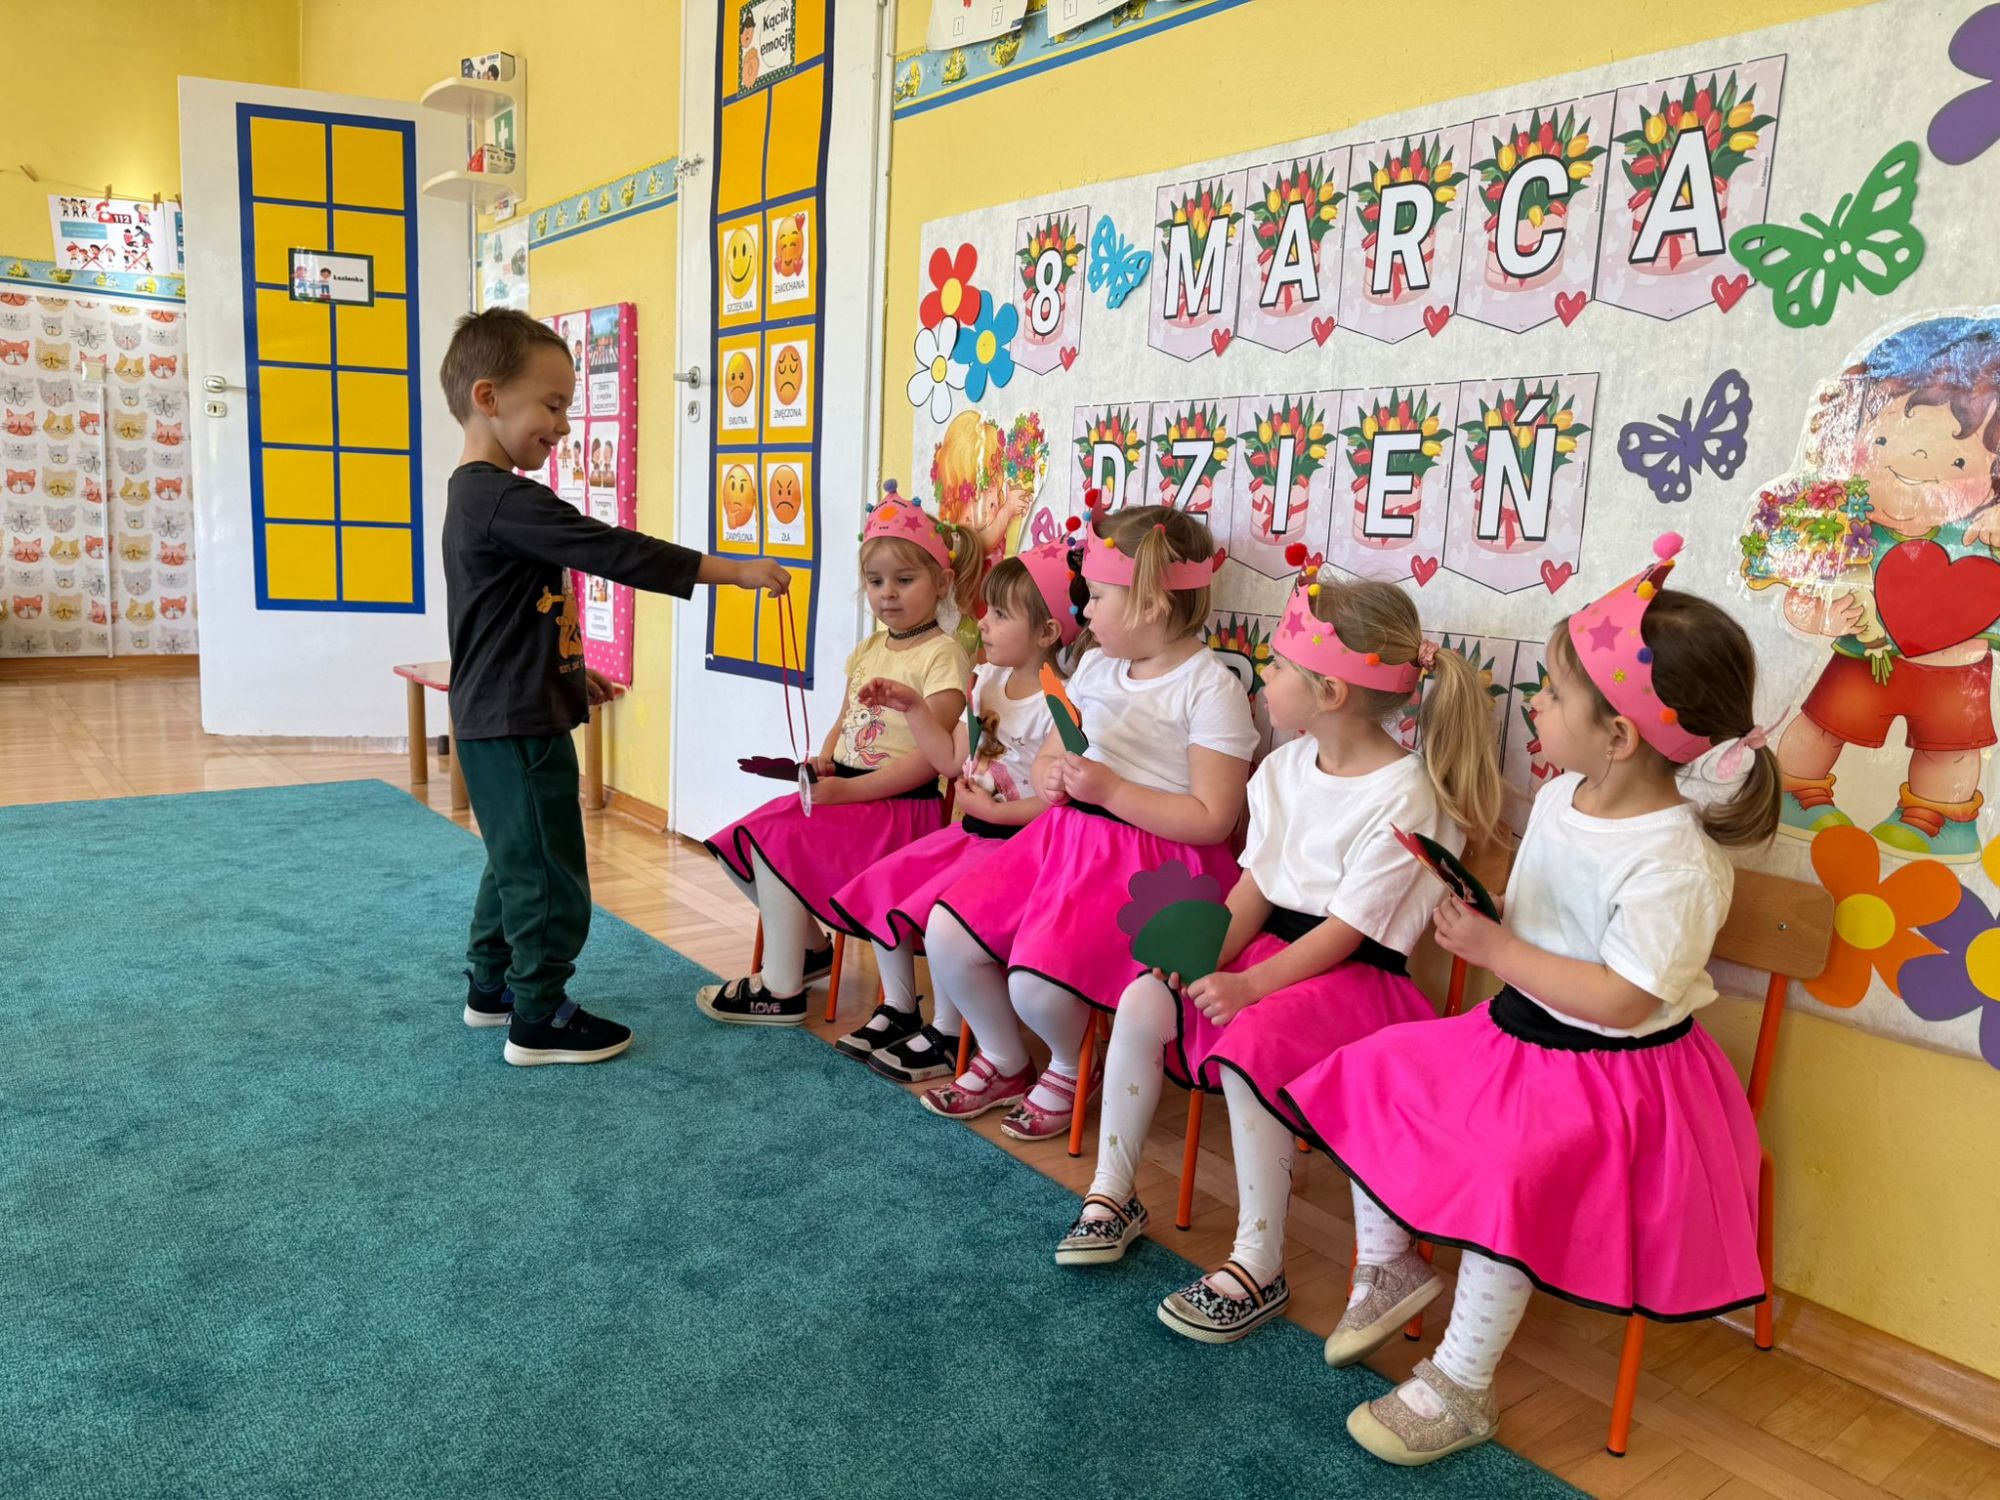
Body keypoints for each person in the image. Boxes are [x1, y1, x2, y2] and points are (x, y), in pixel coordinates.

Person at [1282, 535, 1780, 1465]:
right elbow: (1546, 913)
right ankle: (1390, 1266)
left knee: (1505, 1174)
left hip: (1618, 1079)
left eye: (1552, 693)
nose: (1535, 705)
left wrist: (1499, 947)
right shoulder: (1561, 799)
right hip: (1516, 1035)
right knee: (1371, 1071)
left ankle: (1462, 1384)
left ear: (1619, 735)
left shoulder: (1676, 861)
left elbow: (1623, 999)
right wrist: (1489, 914)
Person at [1058, 569, 1501, 1347]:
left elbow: (1348, 930)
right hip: (1272, 958)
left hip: (1356, 980)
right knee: (1143, 998)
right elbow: (1257, 885)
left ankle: (1259, 1264)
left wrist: (1249, 985)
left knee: (1248, 1046)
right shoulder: (1284, 769)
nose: (1263, 678)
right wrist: (1204, 957)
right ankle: (1112, 1193)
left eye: (1279, 668)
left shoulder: (1409, 795)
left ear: (1330, 692)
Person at [441, 308, 787, 1065]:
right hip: (517, 724)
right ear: (489, 397)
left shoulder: (478, 497)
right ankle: (539, 1017)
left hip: (500, 712)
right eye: (552, 405)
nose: (564, 426)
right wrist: (731, 571)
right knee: (548, 871)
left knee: (516, 857)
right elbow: (613, 550)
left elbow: (506, 617)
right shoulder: (504, 498)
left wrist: (567, 667)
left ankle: (492, 987)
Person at [920, 502, 1256, 1140]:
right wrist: (1053, 776)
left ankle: (1073, 1065)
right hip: (1065, 839)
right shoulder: (1097, 665)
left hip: (1153, 861)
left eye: (1098, 597)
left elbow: (1214, 819)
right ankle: (1006, 1058)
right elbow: (1059, 750)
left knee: (1037, 985)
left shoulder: (1210, 688)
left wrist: (1113, 791)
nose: (1085, 611)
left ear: (1150, 605)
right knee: (949, 935)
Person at [698, 494, 982, 1026]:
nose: (887, 593)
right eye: (875, 581)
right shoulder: (870, 648)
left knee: (778, 840)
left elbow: (932, 759)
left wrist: (849, 790)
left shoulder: (944, 655)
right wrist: (826, 758)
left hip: (900, 809)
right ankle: (808, 950)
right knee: (745, 837)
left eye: (904, 580)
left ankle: (781, 988)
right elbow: (844, 720)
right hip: (850, 796)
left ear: (942, 583)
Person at [828, 539, 1081, 1079]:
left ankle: (948, 1032)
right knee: (889, 880)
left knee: (945, 903)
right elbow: (949, 760)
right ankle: (902, 1009)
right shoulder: (987, 680)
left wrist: (994, 813)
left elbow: (1057, 807)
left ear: (1046, 632)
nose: (982, 623)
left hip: (1018, 846)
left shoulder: (1060, 701)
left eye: (1000, 615)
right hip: (973, 833)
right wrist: (913, 707)